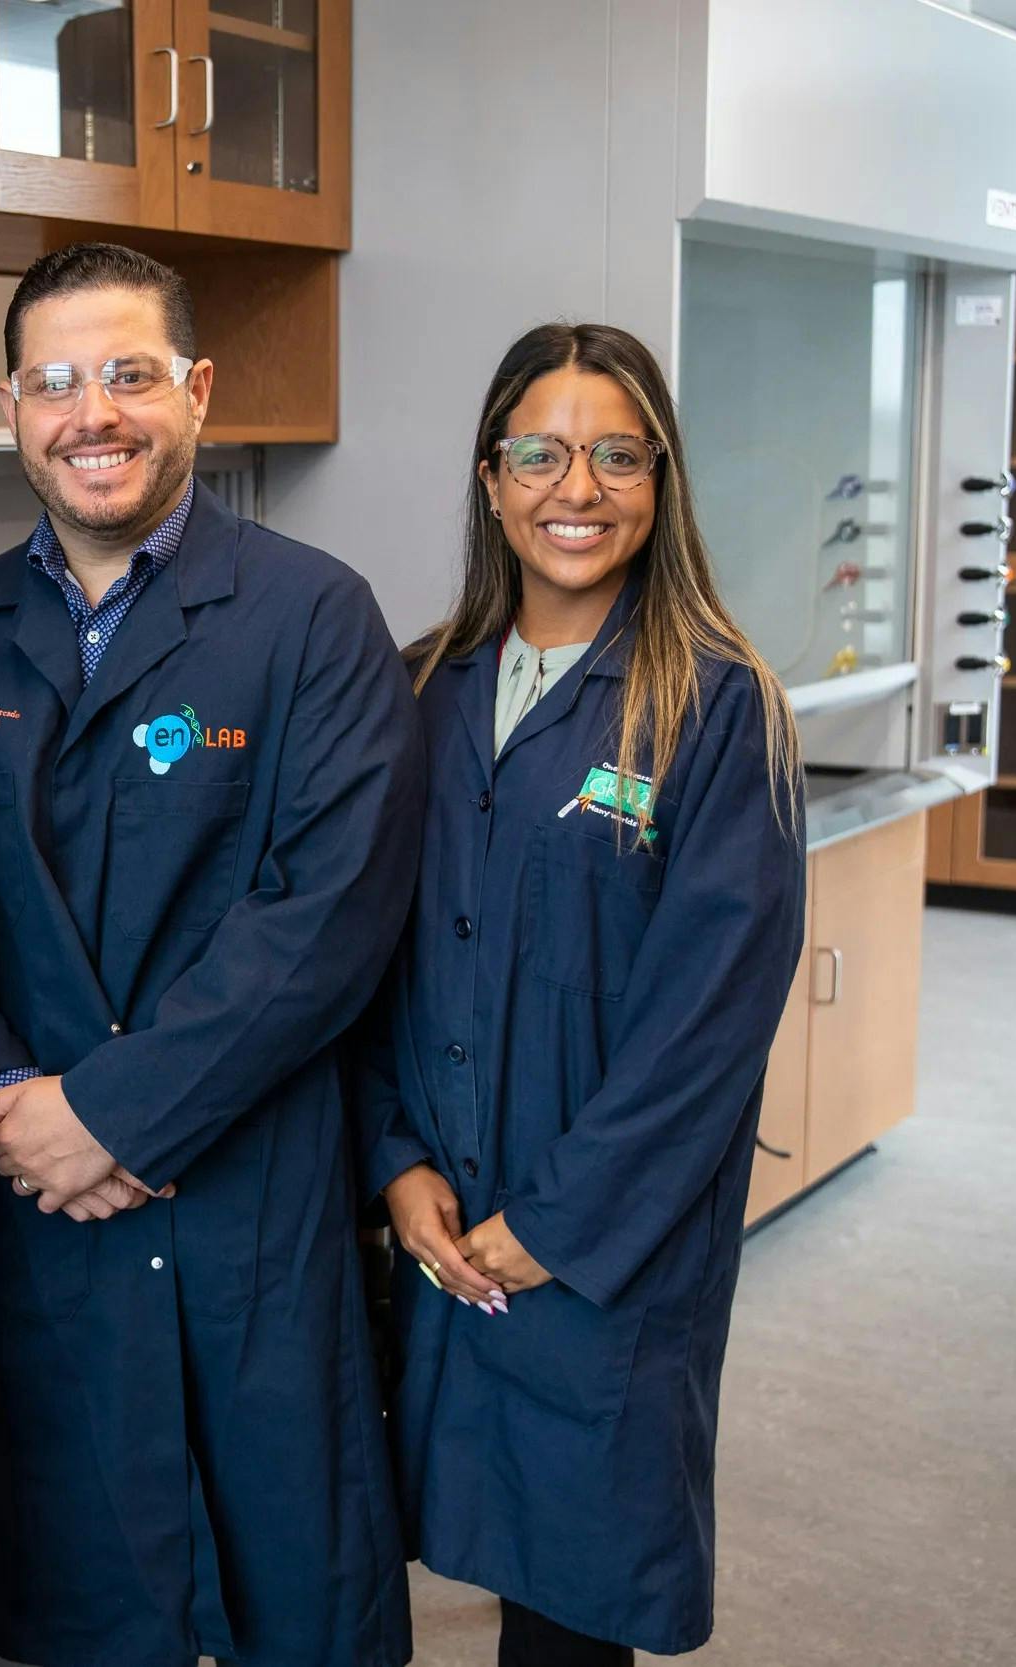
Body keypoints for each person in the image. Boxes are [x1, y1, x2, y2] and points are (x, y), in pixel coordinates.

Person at [0, 242, 422, 1667]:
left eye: (130, 373)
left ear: (197, 390)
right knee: (74, 1589)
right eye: (57, 381)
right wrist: (11, 1099)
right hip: (32, 1191)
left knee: (281, 1588)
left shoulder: (314, 616)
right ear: (11, 406)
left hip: (242, 1186)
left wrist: (109, 1115)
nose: (94, 414)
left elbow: (332, 915)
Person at [354, 322, 807, 1664]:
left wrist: (557, 1222)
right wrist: (391, 1161)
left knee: (572, 1598)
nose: (579, 489)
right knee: (426, 1528)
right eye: (541, 454)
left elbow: (708, 1024)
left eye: (619, 455)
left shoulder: (720, 708)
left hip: (603, 1239)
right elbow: (363, 960)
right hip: (437, 1219)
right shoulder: (417, 690)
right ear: (491, 479)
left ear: (661, 483)